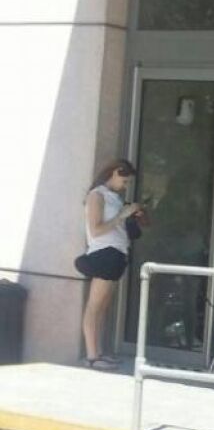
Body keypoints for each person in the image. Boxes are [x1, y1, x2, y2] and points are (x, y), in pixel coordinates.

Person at [77, 158, 142, 370]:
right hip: (104, 253)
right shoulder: (97, 195)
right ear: (115, 172)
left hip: (117, 254)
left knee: (103, 307)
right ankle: (92, 355)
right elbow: (96, 230)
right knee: (94, 306)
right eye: (124, 181)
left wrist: (131, 215)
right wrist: (122, 216)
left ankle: (99, 352)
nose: (125, 186)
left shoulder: (114, 197)